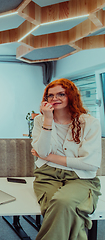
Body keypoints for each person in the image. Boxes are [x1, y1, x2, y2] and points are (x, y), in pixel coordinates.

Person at [31, 78, 102, 240]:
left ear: (71, 96)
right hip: (47, 175)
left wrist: (49, 157)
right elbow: (42, 150)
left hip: (81, 177)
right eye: (50, 95)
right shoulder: (40, 120)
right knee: (63, 210)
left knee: (62, 203)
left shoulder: (89, 123)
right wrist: (48, 119)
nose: (54, 98)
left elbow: (90, 164)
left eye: (61, 94)